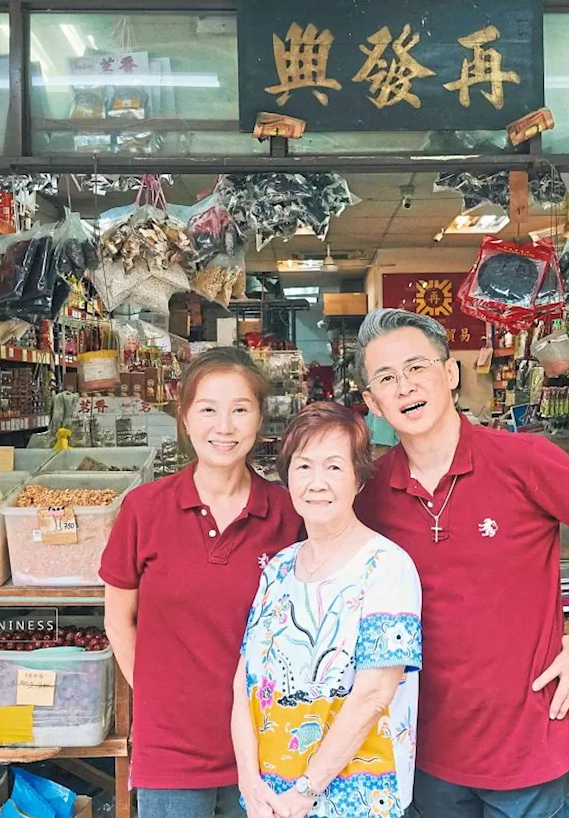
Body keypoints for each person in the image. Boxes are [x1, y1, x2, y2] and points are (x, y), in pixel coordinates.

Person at [354, 308, 569, 818]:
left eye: (417, 368)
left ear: (449, 374)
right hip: (419, 753)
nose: (405, 387)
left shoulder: (523, 459)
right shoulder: (371, 493)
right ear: (372, 403)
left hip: (523, 748)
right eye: (386, 378)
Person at [101, 347, 303, 818]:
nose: (224, 427)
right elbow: (118, 619)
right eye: (208, 409)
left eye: (240, 409)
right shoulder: (143, 510)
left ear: (260, 418)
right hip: (171, 751)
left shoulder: (289, 513)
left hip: (267, 746)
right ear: (185, 418)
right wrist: (158, 697)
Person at [233, 402, 422, 818]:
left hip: (354, 799)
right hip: (269, 800)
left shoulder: (386, 566)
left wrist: (304, 794)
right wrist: (249, 780)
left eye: (334, 467)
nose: (316, 482)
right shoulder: (279, 567)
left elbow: (374, 694)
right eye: (303, 467)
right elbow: (243, 680)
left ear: (358, 480)